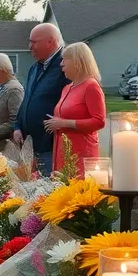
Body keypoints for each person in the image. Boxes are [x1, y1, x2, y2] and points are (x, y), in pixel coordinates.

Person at [12, 23, 70, 175]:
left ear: (50, 41)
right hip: (30, 144)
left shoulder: (65, 67)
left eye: (33, 42)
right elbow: (27, 100)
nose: (29, 46)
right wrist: (18, 126)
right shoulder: (35, 67)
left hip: (50, 144)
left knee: (48, 190)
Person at [47, 42, 107, 177]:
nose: (61, 64)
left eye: (65, 59)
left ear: (77, 61)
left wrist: (64, 123)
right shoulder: (67, 88)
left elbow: (99, 121)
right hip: (62, 152)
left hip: (81, 153)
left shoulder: (91, 86)